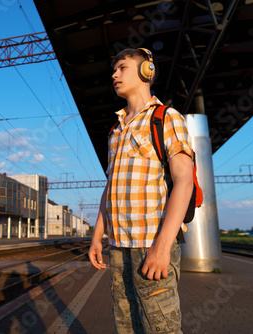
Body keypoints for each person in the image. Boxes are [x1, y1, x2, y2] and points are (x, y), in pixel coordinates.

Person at [88, 48, 194, 333]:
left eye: (122, 67)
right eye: (114, 69)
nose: (114, 74)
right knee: (127, 327)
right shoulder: (115, 131)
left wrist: (162, 246)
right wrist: (98, 236)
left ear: (146, 71)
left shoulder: (166, 118)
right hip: (118, 247)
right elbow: (110, 187)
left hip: (151, 242)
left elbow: (184, 181)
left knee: (162, 329)